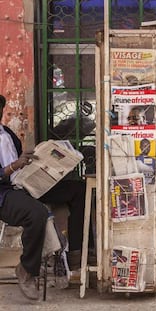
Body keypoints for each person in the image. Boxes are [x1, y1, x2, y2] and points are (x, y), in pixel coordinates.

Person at [0, 95, 92, 300]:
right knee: (37, 213)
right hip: (5, 194)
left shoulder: (7, 134)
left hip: (24, 183)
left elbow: (18, 162)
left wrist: (33, 161)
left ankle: (75, 254)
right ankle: (26, 268)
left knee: (79, 190)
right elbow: (9, 169)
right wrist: (13, 166)